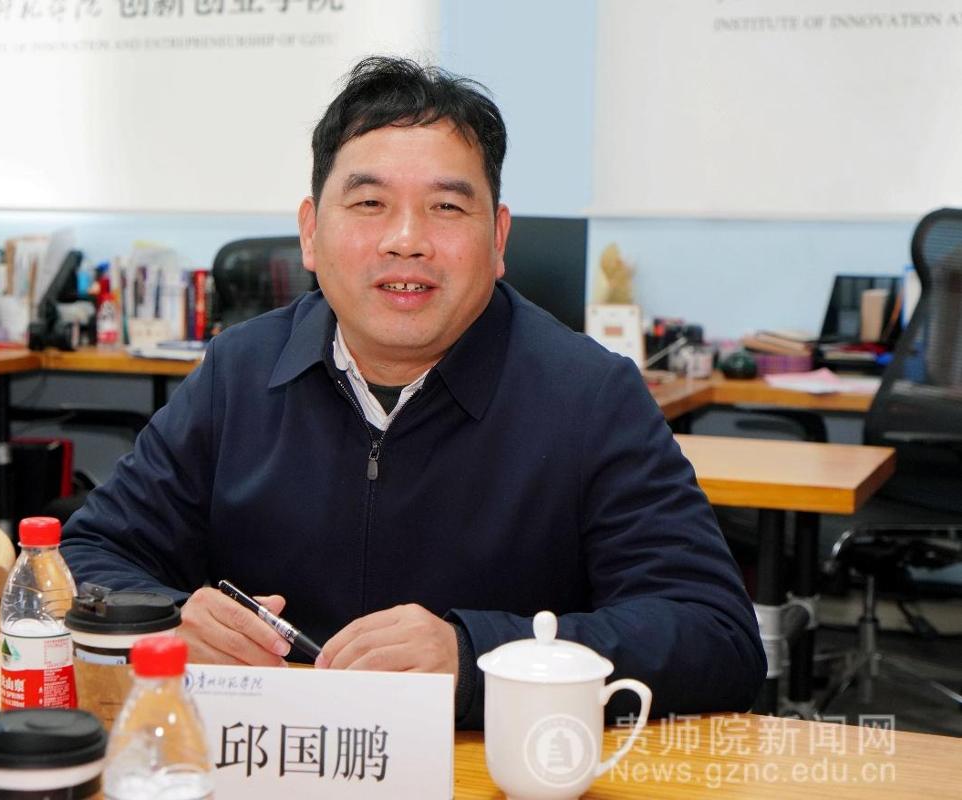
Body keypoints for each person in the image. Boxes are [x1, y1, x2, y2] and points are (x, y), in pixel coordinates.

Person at [61, 56, 765, 728]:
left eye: (446, 207)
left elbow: (715, 636)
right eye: (370, 203)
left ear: (498, 238)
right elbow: (84, 557)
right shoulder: (237, 373)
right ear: (311, 233)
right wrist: (164, 618)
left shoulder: (590, 396)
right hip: (271, 761)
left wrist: (476, 658)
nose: (406, 240)